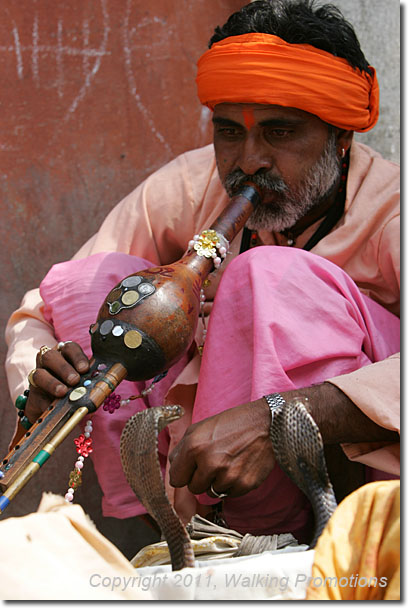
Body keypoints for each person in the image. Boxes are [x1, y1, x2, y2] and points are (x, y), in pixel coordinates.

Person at [5, 0, 399, 546]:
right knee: (97, 285)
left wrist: (281, 415)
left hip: (354, 483)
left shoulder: (392, 213)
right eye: (230, 132)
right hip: (195, 464)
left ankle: (299, 538)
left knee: (265, 278)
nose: (249, 161)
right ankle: (182, 536)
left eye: (280, 134)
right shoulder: (192, 186)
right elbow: (45, 307)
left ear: (341, 139)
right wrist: (39, 373)